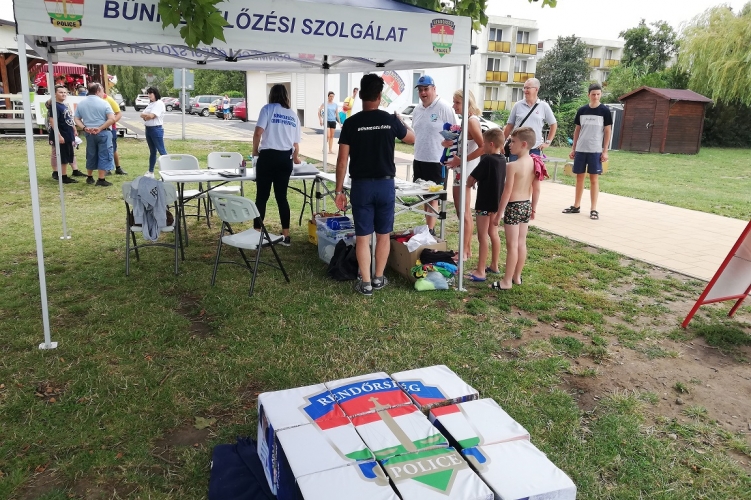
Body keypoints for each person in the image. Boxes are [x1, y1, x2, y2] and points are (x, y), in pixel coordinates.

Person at [335, 73, 415, 296]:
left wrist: (339, 190)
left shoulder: (351, 123)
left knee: (362, 236)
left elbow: (342, 160)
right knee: (383, 234)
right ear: (380, 96)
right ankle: (379, 278)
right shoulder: (390, 120)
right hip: (385, 185)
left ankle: (366, 283)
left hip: (361, 186)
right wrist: (400, 120)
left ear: (360, 95)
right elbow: (412, 138)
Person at [491, 127, 541, 291]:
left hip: (513, 207)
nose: (509, 144)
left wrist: (499, 214)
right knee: (521, 243)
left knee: (512, 245)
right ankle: (516, 276)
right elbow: (537, 189)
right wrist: (533, 208)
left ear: (524, 144)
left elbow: (507, 192)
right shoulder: (535, 162)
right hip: (526, 204)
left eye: (513, 141)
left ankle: (506, 281)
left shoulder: (512, 165)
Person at [252, 84, 302, 246]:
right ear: (286, 96)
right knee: (282, 197)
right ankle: (286, 236)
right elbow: (295, 144)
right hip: (285, 158)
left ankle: (257, 233)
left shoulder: (267, 109)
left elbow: (258, 132)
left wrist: (255, 151)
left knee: (262, 196)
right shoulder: (293, 115)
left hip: (267, 157)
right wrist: (296, 158)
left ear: (271, 95)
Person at [442, 89, 484, 260]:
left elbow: (483, 147)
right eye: (454, 102)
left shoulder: (472, 121)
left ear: (468, 103)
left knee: (464, 213)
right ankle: (466, 249)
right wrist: (449, 143)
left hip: (465, 172)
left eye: (457, 102)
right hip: (460, 171)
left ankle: (465, 251)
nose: (454, 106)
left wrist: (462, 160)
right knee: (461, 213)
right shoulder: (466, 121)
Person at [412, 75, 456, 234]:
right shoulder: (417, 109)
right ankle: (428, 228)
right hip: (419, 158)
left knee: (434, 197)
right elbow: (415, 132)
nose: (423, 93)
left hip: (437, 160)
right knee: (425, 196)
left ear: (434, 89)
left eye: (426, 89)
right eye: (420, 90)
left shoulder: (443, 107)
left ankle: (430, 230)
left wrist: (449, 151)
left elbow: (455, 132)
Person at [562, 83, 612, 220]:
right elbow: (577, 130)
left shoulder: (605, 111)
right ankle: (576, 206)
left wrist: (605, 151)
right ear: (588, 95)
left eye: (598, 94)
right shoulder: (582, 110)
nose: (595, 96)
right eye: (593, 94)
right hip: (581, 149)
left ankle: (593, 209)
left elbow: (607, 131)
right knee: (579, 177)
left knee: (594, 179)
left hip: (595, 150)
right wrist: (573, 148)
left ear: (601, 95)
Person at [465, 128, 506, 282]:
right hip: (496, 204)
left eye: (484, 143)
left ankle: (480, 270)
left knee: (482, 236)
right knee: (493, 233)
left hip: (484, 204)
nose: (482, 146)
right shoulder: (503, 160)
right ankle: (494, 265)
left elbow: (471, 178)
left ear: (491, 144)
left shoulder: (487, 160)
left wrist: (469, 185)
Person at [503, 78, 557, 160]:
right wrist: (501, 143)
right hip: (516, 147)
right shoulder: (517, 105)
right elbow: (509, 125)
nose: (525, 90)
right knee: (514, 168)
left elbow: (553, 124)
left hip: (535, 149)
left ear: (536, 89)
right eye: (524, 88)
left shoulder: (544, 106)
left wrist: (548, 142)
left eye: (528, 88)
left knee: (532, 169)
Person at [73, 82, 115, 187]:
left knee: (91, 153)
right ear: (97, 91)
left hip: (89, 132)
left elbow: (76, 118)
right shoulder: (104, 103)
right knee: (104, 154)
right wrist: (100, 128)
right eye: (102, 91)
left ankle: (89, 176)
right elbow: (112, 119)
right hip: (103, 131)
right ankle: (101, 178)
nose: (103, 93)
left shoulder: (81, 103)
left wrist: (84, 128)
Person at [48, 85, 80, 184]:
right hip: (62, 134)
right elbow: (52, 121)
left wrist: (74, 128)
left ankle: (68, 173)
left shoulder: (64, 105)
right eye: (61, 92)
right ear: (55, 94)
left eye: (65, 92)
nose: (63, 94)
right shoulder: (54, 106)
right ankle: (63, 176)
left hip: (68, 133)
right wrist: (58, 135)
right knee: (63, 155)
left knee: (69, 154)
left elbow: (69, 118)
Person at [140, 86, 167, 178]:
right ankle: (151, 171)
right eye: (148, 93)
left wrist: (147, 116)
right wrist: (147, 116)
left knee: (161, 151)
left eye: (150, 93)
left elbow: (151, 116)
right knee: (152, 151)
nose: (149, 95)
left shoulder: (159, 103)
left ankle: (166, 172)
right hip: (148, 129)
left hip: (156, 129)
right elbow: (142, 114)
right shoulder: (151, 104)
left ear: (155, 94)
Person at [102, 91, 127, 175]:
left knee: (113, 148)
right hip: (100, 128)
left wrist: (111, 122)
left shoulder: (108, 99)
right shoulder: (95, 100)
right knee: (103, 149)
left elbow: (119, 113)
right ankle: (107, 168)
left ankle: (118, 167)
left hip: (110, 128)